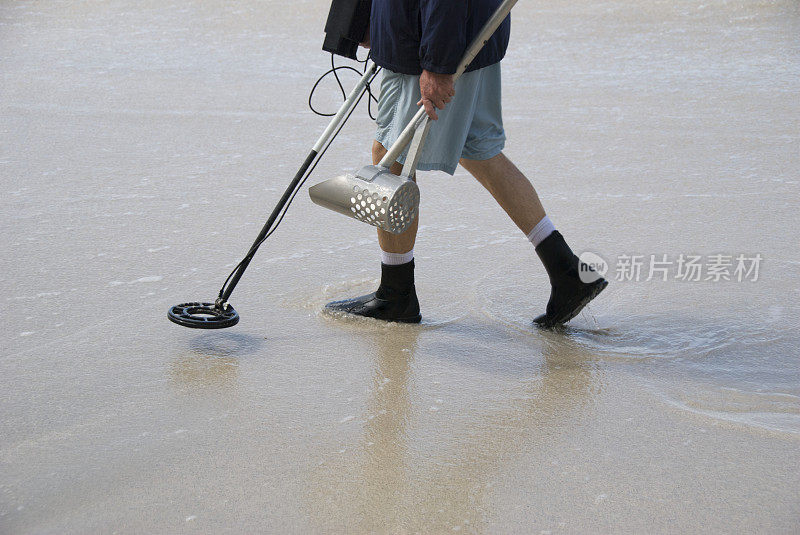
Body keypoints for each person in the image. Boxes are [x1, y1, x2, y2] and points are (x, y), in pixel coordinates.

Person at [326, 0, 607, 328]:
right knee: (480, 153)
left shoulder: (435, 52)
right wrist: (368, 23)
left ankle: (396, 294)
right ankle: (566, 271)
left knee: (391, 160)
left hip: (431, 44)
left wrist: (437, 63)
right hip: (468, 35)